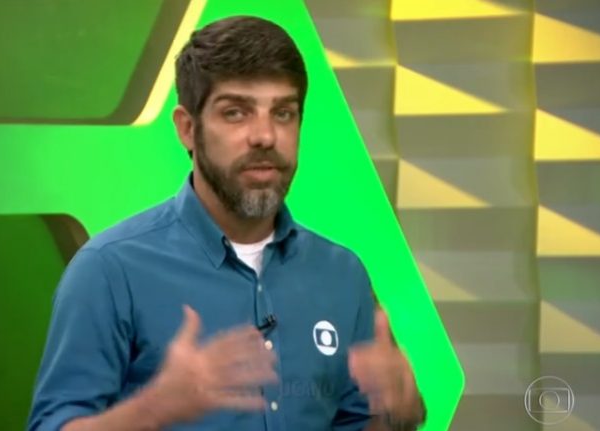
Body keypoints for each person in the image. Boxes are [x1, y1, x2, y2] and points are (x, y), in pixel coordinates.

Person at [27, 16, 426, 431]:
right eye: (236, 112)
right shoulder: (109, 270)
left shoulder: (342, 273)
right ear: (187, 129)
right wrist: (154, 408)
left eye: (283, 113)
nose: (265, 136)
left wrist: (397, 415)